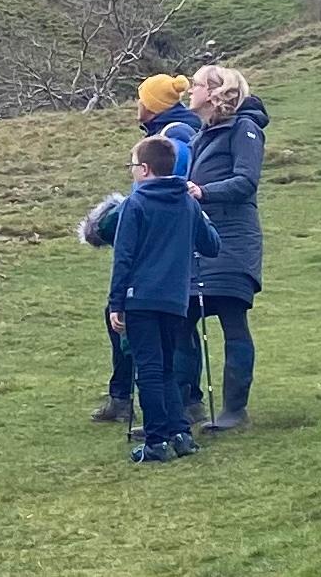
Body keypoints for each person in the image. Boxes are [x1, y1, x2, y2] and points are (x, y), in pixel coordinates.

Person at [83, 75, 204, 425]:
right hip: (169, 246)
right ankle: (173, 405)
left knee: (140, 326)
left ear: (151, 104)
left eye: (140, 97)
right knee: (172, 330)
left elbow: (167, 186)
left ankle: (165, 407)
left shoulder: (173, 135)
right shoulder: (175, 131)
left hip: (155, 252)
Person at [109, 132, 222, 461]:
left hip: (141, 297)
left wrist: (117, 303)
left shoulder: (136, 203)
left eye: (132, 165)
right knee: (168, 367)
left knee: (149, 369)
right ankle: (181, 433)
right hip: (176, 298)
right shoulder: (188, 203)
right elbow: (212, 244)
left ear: (144, 169)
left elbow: (124, 257)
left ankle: (156, 440)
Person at [185, 63, 267, 432]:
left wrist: (203, 192)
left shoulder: (243, 129)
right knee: (180, 319)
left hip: (233, 241)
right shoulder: (202, 135)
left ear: (217, 93)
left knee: (233, 322)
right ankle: (185, 406)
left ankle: (235, 410)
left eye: (197, 85)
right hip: (200, 241)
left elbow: (246, 182)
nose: (189, 90)